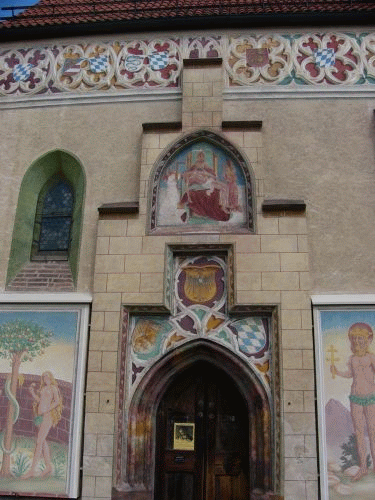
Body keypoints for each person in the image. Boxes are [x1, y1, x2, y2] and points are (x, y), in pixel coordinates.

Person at [331, 323, 375, 481]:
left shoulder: (371, 357)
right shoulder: (352, 358)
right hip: (355, 397)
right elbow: (350, 374)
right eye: (354, 338)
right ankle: (363, 467)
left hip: (371, 397)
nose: (357, 341)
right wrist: (337, 372)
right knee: (359, 432)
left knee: (372, 430)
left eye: (360, 338)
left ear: (368, 339)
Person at [23, 371, 63, 479]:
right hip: (40, 416)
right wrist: (32, 393)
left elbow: (57, 401)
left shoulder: (53, 388)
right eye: (44, 377)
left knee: (39, 441)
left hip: (47, 416)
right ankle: (49, 466)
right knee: (43, 440)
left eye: (47, 376)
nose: (45, 379)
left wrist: (47, 409)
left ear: (50, 377)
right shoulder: (44, 388)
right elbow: (40, 400)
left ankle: (32, 470)